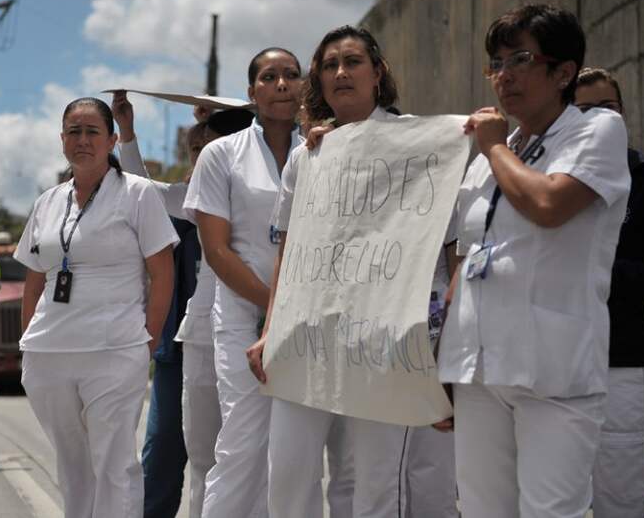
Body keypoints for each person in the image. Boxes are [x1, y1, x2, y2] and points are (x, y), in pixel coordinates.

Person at [247, 26, 456, 517]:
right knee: (289, 472)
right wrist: (270, 328)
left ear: (378, 72)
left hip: (386, 336)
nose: (341, 73)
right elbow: (289, 248)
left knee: (376, 480)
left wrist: (443, 329)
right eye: (329, 65)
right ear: (317, 81)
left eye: (353, 61)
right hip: (307, 336)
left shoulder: (422, 145)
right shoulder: (308, 156)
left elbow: (448, 247)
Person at [436, 4, 630, 517]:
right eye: (495, 63)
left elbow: (547, 205)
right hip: (479, 368)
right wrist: (444, 359)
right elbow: (466, 257)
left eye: (520, 59)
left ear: (564, 72)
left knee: (552, 512)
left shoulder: (595, 132)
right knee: (481, 509)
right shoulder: (495, 151)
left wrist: (496, 147)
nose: (504, 75)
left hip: (552, 368)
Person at [15, 97, 177, 518]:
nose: (82, 140)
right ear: (62, 139)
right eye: (74, 131)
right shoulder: (48, 202)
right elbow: (34, 277)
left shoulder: (137, 194)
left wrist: (147, 343)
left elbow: (162, 274)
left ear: (112, 139)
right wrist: (27, 338)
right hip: (49, 354)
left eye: (92, 132)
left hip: (115, 349)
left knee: (114, 463)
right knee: (73, 465)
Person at [112, 92, 252, 518]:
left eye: (209, 147)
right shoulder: (192, 200)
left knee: (254, 456)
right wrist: (128, 134)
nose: (202, 157)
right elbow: (140, 190)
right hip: (191, 343)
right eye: (194, 150)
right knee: (189, 455)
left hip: (258, 332)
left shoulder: (271, 184)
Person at [183, 47, 304, 518]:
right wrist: (275, 304)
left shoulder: (320, 149)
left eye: (291, 76)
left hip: (307, 321)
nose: (281, 85)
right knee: (241, 445)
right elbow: (216, 251)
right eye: (269, 77)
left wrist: (294, 309)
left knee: (294, 454)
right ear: (251, 92)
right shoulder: (220, 155)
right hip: (241, 316)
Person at [575, 67, 644, 518]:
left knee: (620, 494)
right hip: (555, 360)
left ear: (623, 112)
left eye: (607, 108)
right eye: (583, 110)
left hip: (622, 360)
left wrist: (595, 268)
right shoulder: (548, 180)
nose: (598, 119)